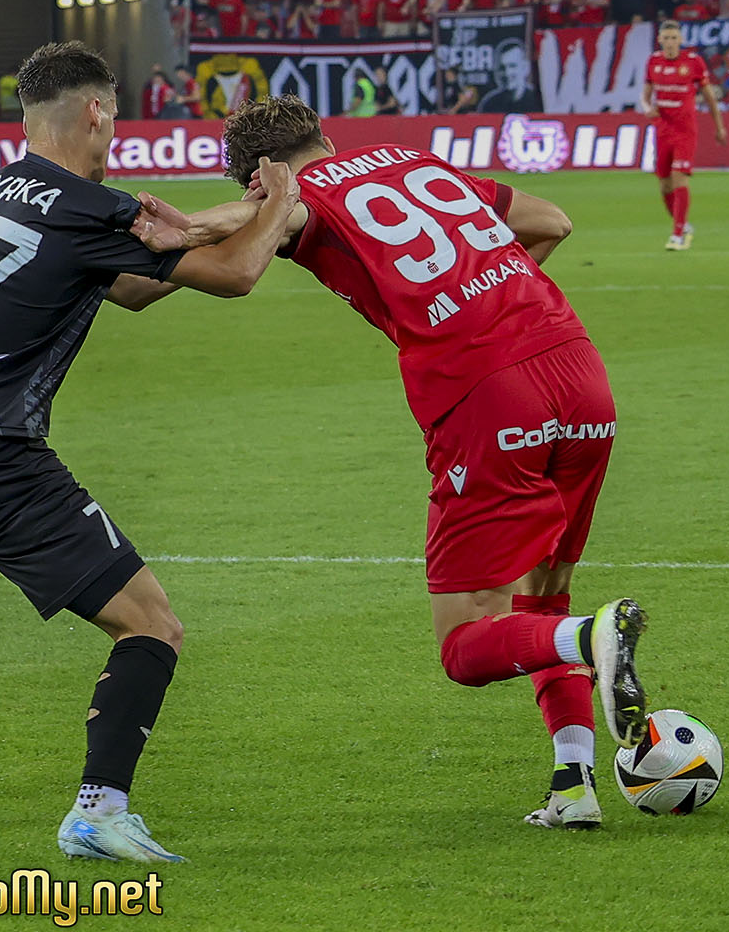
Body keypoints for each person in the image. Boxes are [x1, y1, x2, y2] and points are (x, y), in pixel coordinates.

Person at [0, 40, 299, 862]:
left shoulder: (0, 188)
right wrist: (280, 201)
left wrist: (211, 226)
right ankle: (98, 811)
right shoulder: (86, 205)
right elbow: (238, 274)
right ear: (97, 111)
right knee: (152, 626)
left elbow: (131, 288)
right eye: (116, 114)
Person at [132, 94, 653, 829]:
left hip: (489, 397)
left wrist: (188, 224)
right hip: (578, 370)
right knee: (543, 598)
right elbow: (552, 222)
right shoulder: (416, 159)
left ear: (259, 175)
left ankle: (591, 639)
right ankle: (574, 786)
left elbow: (265, 214)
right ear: (324, 136)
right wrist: (477, 299)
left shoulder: (293, 194)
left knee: (465, 643)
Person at [641, 20, 726, 251]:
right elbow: (645, 95)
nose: (670, 43)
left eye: (673, 38)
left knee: (679, 177)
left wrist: (719, 127)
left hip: (684, 130)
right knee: (664, 186)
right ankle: (684, 225)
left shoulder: (693, 62)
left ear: (681, 40)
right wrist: (647, 107)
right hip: (662, 130)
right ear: (660, 40)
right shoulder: (654, 62)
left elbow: (709, 97)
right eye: (666, 38)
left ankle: (677, 234)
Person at [476, 38, 541, 114]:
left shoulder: (539, 100)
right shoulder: (489, 104)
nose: (507, 73)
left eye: (512, 66)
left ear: (525, 68)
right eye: (502, 68)